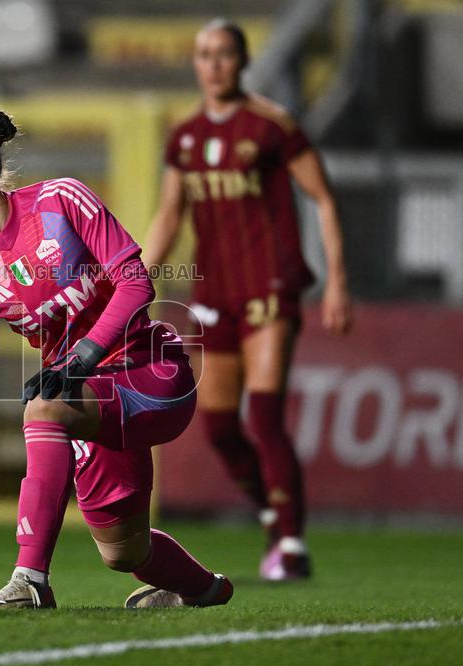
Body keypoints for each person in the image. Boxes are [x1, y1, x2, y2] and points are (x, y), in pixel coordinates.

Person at [0, 107, 234, 610]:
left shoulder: (60, 202)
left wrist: (81, 358)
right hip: (86, 397)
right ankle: (207, 590)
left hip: (149, 373)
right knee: (123, 552)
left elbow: (136, 283)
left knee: (42, 409)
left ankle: (30, 581)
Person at [142, 19, 352, 581]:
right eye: (204, 54)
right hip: (214, 295)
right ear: (195, 63)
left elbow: (323, 199)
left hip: (269, 291)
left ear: (242, 61)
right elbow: (169, 216)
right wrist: (137, 281)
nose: (213, 65)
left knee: (264, 416)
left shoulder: (271, 126)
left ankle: (292, 542)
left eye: (224, 54)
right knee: (217, 428)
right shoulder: (183, 137)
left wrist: (336, 280)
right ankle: (271, 514)